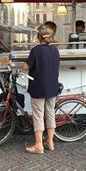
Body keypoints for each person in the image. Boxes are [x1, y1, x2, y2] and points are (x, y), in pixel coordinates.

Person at [23, 24, 60, 154]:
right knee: (50, 113)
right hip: (52, 87)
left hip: (38, 87)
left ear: (39, 36)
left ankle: (39, 145)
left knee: (38, 115)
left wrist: (25, 63)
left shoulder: (35, 51)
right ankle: (50, 142)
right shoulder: (55, 50)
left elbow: (26, 67)